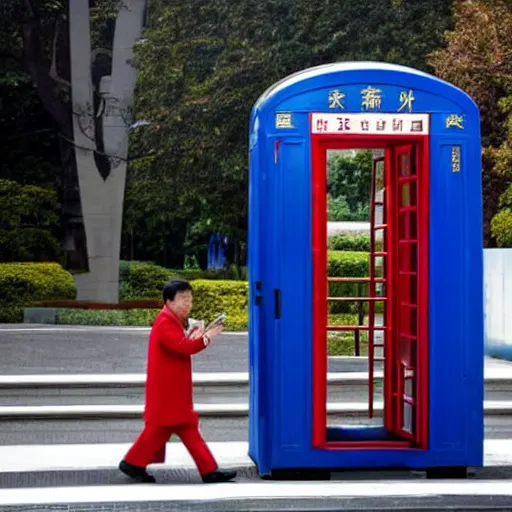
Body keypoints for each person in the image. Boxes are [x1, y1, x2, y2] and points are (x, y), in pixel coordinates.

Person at [119, 278, 237, 484]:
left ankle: (208, 470)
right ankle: (133, 462)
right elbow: (182, 348)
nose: (188, 304)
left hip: (171, 388)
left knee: (180, 426)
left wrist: (196, 335)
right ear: (169, 301)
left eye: (189, 300)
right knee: (173, 427)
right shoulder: (165, 322)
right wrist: (206, 337)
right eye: (183, 299)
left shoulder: (169, 320)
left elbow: (180, 344)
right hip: (168, 390)